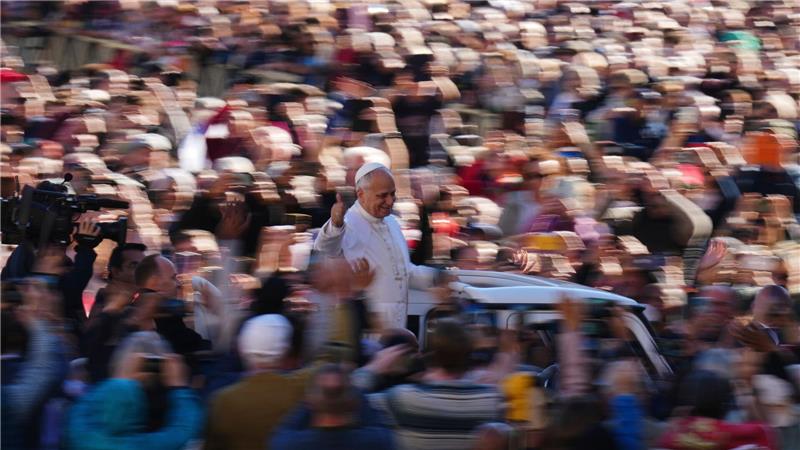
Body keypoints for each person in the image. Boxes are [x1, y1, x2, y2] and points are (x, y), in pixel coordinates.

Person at [313, 162, 437, 329]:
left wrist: (438, 276)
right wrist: (335, 223)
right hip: (367, 327)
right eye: (383, 195)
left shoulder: (392, 222)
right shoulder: (348, 223)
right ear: (361, 194)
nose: (390, 201)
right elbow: (325, 248)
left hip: (397, 324)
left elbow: (404, 271)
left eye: (393, 194)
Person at [364, 318, 505, 450]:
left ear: (430, 354)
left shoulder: (404, 398)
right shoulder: (491, 398)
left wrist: (373, 368)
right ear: (469, 353)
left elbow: (350, 400)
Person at [65, 332, 204, 450]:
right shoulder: (144, 445)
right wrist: (179, 387)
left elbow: (79, 409)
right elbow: (184, 430)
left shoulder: (80, 436)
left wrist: (120, 378)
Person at [269, 364, 396, 450]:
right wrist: (354, 389)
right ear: (354, 402)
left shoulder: (287, 444)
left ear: (309, 401)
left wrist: (315, 395)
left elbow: (286, 427)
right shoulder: (377, 442)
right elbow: (377, 423)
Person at [88, 243, 147, 321]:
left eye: (145, 266)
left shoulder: (137, 300)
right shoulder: (107, 303)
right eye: (134, 266)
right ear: (116, 271)